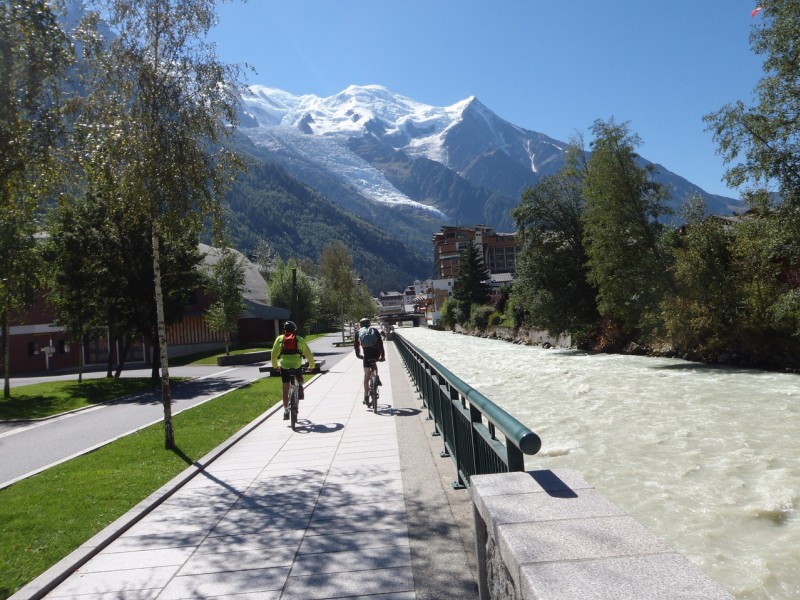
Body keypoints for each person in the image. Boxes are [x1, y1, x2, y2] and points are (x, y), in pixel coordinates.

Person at [271, 321, 315, 420]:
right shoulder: (299, 339)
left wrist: (275, 366)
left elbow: (273, 354)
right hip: (296, 365)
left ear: (284, 330)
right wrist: (311, 365)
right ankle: (300, 385)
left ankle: (286, 411)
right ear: (294, 330)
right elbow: (308, 353)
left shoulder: (279, 339)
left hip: (285, 366)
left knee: (285, 389)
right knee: (300, 377)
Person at [354, 317, 385, 405]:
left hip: (366, 355)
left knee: (366, 376)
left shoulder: (358, 332)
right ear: (369, 324)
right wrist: (382, 356)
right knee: (374, 364)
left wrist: (358, 355)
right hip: (375, 353)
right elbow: (380, 344)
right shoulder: (374, 331)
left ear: (361, 325)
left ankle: (366, 396)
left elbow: (356, 346)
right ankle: (376, 378)